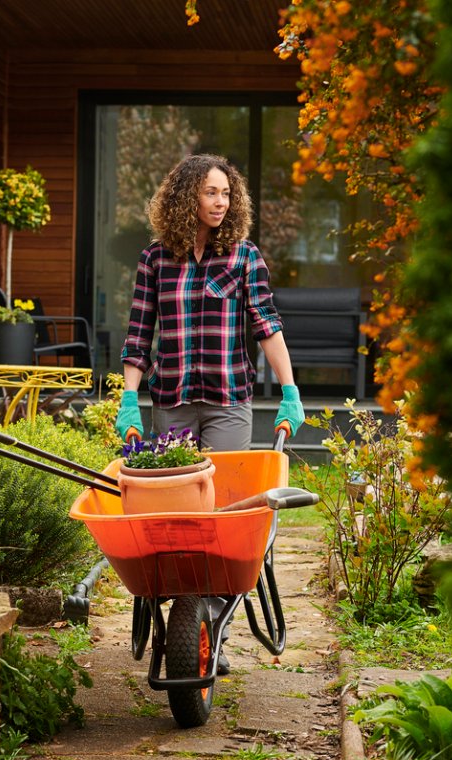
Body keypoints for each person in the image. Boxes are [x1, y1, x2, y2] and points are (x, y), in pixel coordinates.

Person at [114, 153, 305, 674]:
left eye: (226, 194)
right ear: (186, 198)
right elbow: (138, 337)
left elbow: (267, 326)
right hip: (171, 403)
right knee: (172, 519)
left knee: (220, 519)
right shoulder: (156, 260)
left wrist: (288, 389)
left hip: (228, 402)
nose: (220, 203)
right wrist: (130, 399)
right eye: (210, 193)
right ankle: (181, 619)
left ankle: (207, 626)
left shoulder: (244, 258)